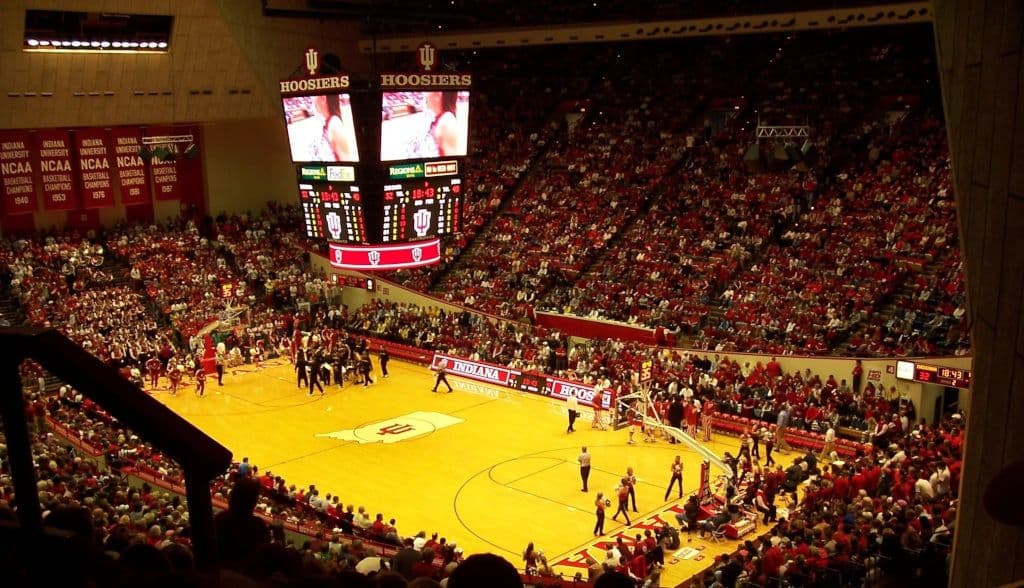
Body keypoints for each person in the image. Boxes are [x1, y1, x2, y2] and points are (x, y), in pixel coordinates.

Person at [313, 94, 358, 162]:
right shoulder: (328, 123)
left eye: (314, 96)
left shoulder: (335, 124)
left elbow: (346, 162)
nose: (313, 100)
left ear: (323, 98)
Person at [424, 91, 462, 157]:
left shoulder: (446, 122)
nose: (425, 93)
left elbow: (450, 162)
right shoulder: (441, 119)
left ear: (438, 95)